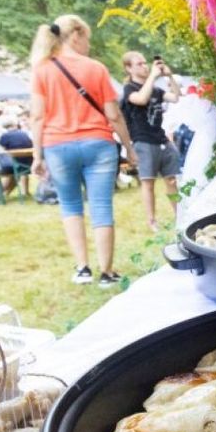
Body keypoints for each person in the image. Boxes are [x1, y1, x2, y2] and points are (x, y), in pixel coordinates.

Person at [29, 14, 135, 288]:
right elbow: (113, 114)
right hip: (98, 143)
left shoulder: (42, 69)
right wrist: (129, 147)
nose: (88, 43)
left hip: (57, 145)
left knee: (71, 206)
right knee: (101, 206)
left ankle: (83, 268)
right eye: (87, 37)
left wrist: (37, 155)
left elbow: (38, 117)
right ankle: (107, 273)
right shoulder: (96, 68)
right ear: (76, 34)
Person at [121, 51, 181, 232]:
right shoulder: (129, 88)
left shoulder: (156, 89)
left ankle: (180, 216)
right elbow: (141, 99)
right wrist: (154, 76)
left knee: (171, 180)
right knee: (148, 182)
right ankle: (152, 221)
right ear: (128, 68)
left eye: (145, 62)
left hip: (161, 138)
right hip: (143, 140)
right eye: (139, 64)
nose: (145, 66)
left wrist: (169, 75)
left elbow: (176, 97)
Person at [0, 116, 33, 199]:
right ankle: (25, 191)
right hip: (29, 160)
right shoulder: (24, 134)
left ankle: (3, 193)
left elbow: (1, 150)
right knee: (23, 173)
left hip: (16, 162)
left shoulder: (5, 136)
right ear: (15, 126)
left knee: (12, 173)